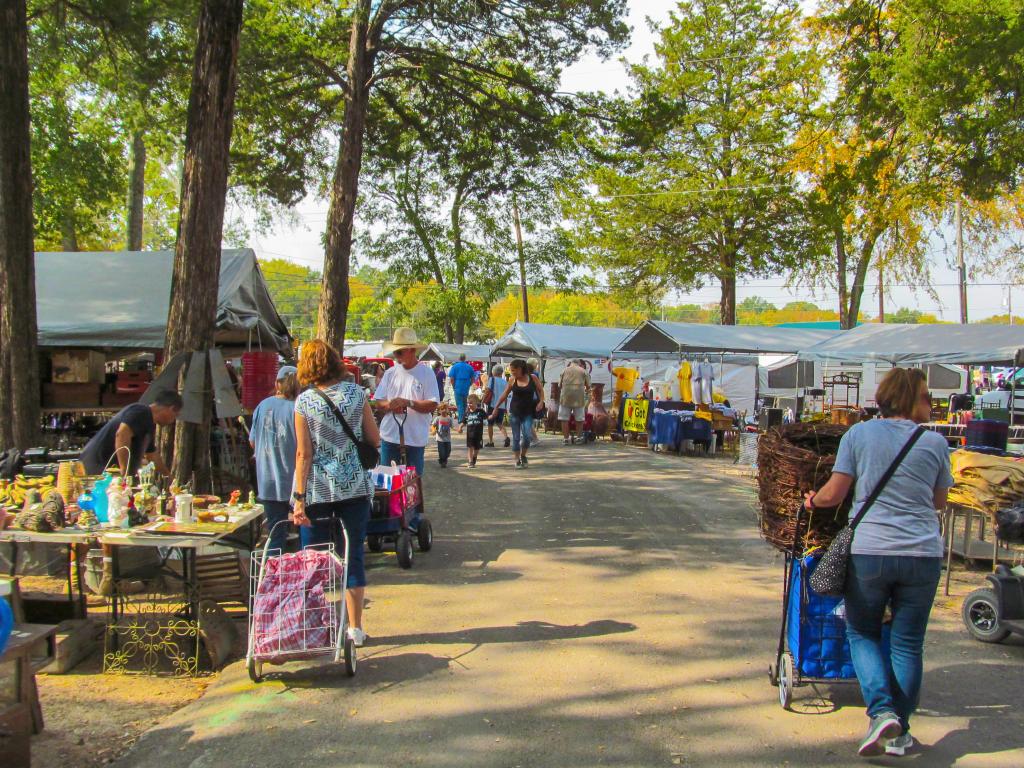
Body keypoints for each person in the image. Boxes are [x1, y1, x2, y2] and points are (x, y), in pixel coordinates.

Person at [804, 367, 952, 758]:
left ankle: (882, 711)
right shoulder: (934, 443)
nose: (930, 403)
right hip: (922, 554)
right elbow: (939, 503)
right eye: (925, 396)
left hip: (872, 552)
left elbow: (834, 494)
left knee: (863, 633)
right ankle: (899, 731)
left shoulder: (859, 434)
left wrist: (812, 500)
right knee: (907, 643)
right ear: (908, 398)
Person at [292, 340, 380, 648]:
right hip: (355, 487)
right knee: (352, 555)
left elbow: (304, 454)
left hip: (318, 491)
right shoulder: (357, 394)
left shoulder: (304, 402)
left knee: (313, 560)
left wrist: (299, 498)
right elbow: (375, 439)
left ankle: (315, 628)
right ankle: (355, 629)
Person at [372, 327, 440, 478]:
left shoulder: (426, 373)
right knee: (388, 485)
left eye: (399, 352)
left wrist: (409, 403)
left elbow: (432, 404)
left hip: (415, 439)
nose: (396, 356)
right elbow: (379, 402)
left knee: (412, 488)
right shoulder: (390, 373)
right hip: (390, 437)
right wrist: (391, 405)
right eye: (395, 352)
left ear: (411, 350)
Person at [249, 366, 299, 553]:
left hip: (268, 480)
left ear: (277, 383)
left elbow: (253, 442)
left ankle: (274, 578)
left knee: (275, 535)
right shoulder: (299, 406)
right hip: (296, 482)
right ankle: (301, 577)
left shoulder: (263, 406)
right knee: (304, 535)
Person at [80, 390, 182, 478]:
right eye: (175, 415)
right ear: (171, 409)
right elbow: (122, 434)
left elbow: (152, 456)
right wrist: (124, 469)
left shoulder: (148, 424)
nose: (173, 420)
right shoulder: (140, 411)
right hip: (98, 466)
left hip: (107, 470)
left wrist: (168, 477)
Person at [490, 359, 545, 469]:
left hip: (528, 412)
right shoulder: (512, 380)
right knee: (516, 438)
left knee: (527, 436)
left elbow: (541, 390)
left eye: (514, 370)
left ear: (520, 369)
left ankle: (523, 455)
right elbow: (504, 394)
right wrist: (496, 407)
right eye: (511, 370)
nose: (512, 372)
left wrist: (541, 402)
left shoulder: (533, 378)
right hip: (515, 412)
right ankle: (517, 459)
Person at [559, 359, 591, 445]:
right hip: (579, 398)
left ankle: (566, 439)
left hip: (565, 397)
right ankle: (579, 438)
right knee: (579, 419)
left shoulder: (564, 370)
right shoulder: (583, 371)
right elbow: (588, 386)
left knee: (564, 419)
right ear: (579, 364)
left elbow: (559, 385)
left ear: (571, 364)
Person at [485, 364, 510, 448]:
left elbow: (488, 390)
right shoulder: (505, 382)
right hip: (502, 406)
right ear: (501, 372)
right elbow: (506, 395)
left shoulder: (492, 379)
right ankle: (506, 437)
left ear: (493, 372)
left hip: (493, 404)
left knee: (490, 423)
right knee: (499, 423)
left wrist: (483, 400)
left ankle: (491, 441)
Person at [459, 393, 487, 467]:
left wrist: (488, 420)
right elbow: (463, 422)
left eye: (471, 403)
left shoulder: (481, 412)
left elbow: (486, 419)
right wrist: (460, 427)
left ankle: (474, 457)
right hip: (470, 434)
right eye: (468, 403)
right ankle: (470, 461)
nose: (469, 405)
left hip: (479, 434)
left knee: (477, 448)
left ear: (476, 403)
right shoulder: (467, 414)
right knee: (470, 447)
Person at [447, 353, 476, 422]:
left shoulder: (455, 367)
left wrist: (454, 386)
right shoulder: (469, 367)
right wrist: (469, 384)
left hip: (457, 386)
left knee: (459, 404)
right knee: (465, 404)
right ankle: (464, 418)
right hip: (466, 387)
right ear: (465, 358)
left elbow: (451, 379)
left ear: (459, 358)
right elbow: (473, 378)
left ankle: (461, 419)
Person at [432, 403, 453, 468]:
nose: (443, 410)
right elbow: (433, 425)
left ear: (448, 410)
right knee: (441, 452)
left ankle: (444, 459)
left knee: (448, 451)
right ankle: (442, 461)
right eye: (442, 409)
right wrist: (433, 430)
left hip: (447, 438)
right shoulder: (438, 418)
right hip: (440, 438)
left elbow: (452, 426)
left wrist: (458, 430)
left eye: (445, 409)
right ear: (439, 411)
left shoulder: (449, 418)